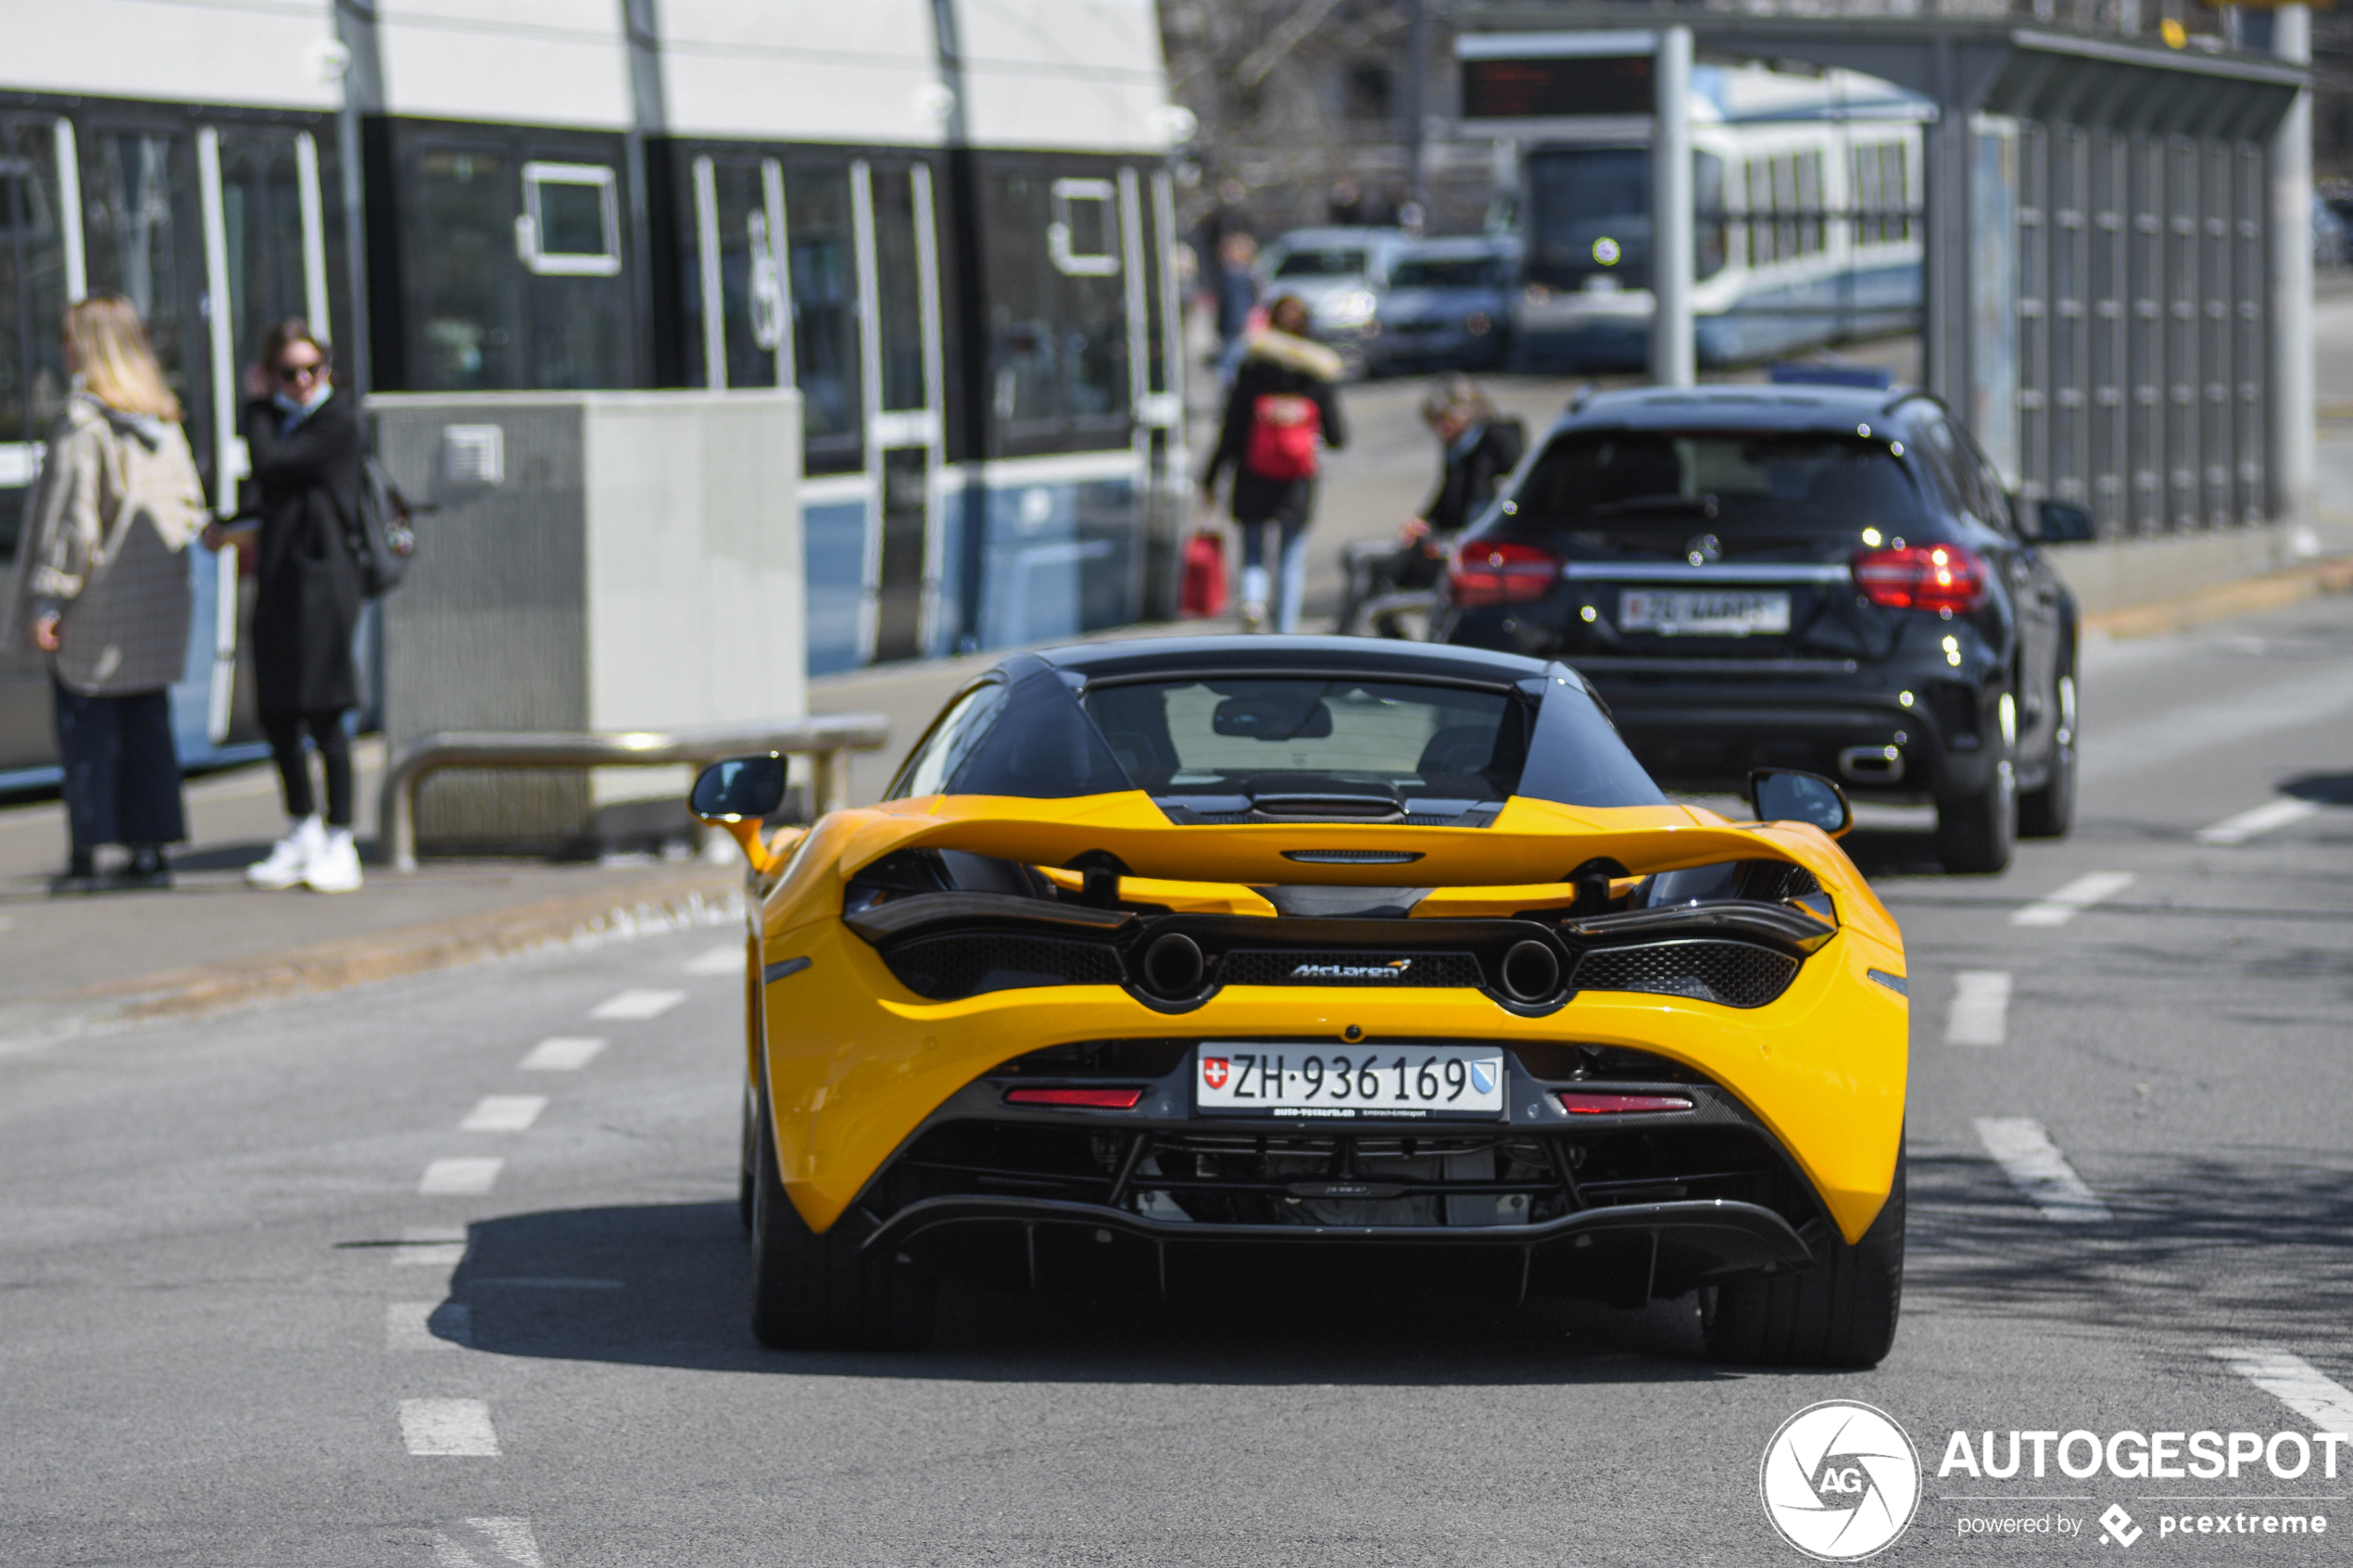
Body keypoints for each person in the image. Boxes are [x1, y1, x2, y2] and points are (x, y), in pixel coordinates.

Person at [6, 295, 208, 893]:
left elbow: (72, 523)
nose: (63, 350)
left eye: (71, 339)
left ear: (90, 347)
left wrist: (50, 599)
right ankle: (152, 851)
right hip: (154, 608)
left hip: (96, 607)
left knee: (86, 729)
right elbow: (188, 506)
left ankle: (87, 854)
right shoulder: (161, 420)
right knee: (148, 729)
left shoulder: (85, 423)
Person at [205, 320, 366, 893]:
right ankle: (303, 828)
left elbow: (272, 465)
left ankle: (342, 838)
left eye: (312, 370)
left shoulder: (336, 422)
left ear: (328, 370)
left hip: (325, 583)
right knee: (278, 711)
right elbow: (271, 499)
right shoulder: (286, 422)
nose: (301, 382)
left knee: (325, 711)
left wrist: (254, 404)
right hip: (279, 581)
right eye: (286, 373)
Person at [1201, 295, 1347, 633]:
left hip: (1253, 474)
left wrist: (1211, 477)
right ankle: (1285, 632)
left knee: (1253, 550)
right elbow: (1339, 437)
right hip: (1296, 480)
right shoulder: (1319, 371)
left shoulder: (1252, 369)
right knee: (1290, 558)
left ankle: (1253, 601)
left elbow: (1231, 430)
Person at [1336, 376, 1526, 636]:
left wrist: (1451, 538)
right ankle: (1376, 640)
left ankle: (1366, 642)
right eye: (1436, 422)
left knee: (1376, 572)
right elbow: (1444, 499)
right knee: (1360, 559)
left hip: (1471, 549)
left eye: (1444, 419)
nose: (1440, 429)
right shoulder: (1455, 447)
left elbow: (1503, 503)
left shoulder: (1497, 441)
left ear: (1466, 412)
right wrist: (1421, 522)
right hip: (1441, 541)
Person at [1211, 231, 1262, 390]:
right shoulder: (1245, 274)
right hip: (1242, 329)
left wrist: (1237, 328)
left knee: (1229, 371)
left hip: (1237, 330)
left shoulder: (1235, 276)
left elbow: (1237, 307)